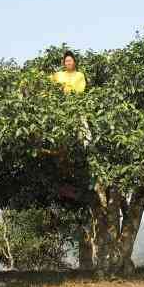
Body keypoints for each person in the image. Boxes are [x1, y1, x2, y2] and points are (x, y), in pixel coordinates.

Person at [47, 51, 91, 199]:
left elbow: (80, 90)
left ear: (74, 62)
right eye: (66, 61)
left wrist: (67, 87)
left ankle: (88, 153)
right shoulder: (58, 74)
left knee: (84, 132)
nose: (68, 63)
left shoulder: (79, 75)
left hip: (75, 107)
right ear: (63, 63)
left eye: (70, 61)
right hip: (60, 109)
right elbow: (49, 84)